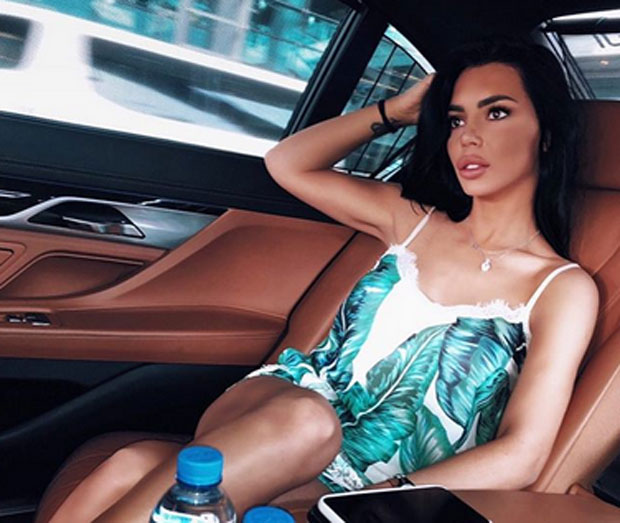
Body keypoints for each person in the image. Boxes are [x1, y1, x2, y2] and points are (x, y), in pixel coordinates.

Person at [43, 38, 598, 522]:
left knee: (129, 467)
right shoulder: (413, 219)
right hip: (281, 407)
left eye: (496, 113)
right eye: (455, 120)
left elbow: (524, 452)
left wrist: (386, 497)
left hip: (368, 479)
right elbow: (288, 163)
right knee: (307, 420)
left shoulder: (560, 289)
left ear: (547, 134)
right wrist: (396, 110)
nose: (468, 137)